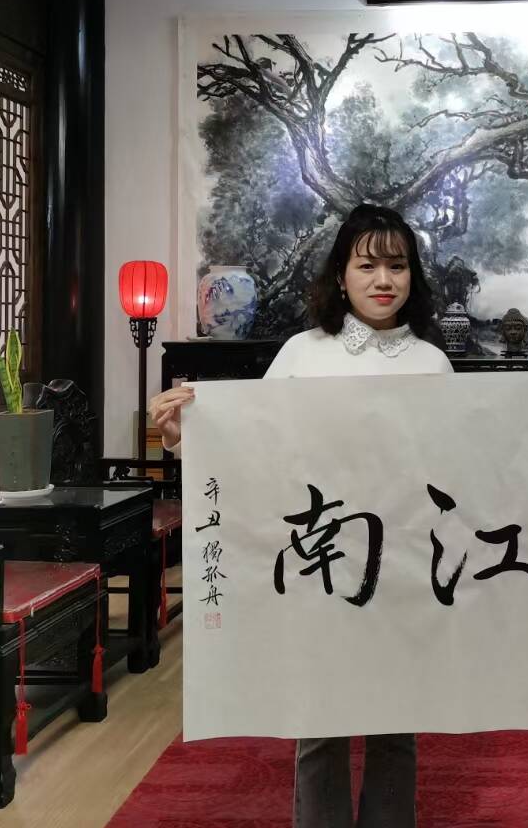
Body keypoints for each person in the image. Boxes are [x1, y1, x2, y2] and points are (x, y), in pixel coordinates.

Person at [148, 203, 452, 828]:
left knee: (397, 726)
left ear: (413, 276)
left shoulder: (431, 361)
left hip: (404, 565)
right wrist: (185, 435)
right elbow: (253, 448)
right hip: (322, 562)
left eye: (397, 266)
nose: (383, 280)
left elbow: (454, 472)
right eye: (366, 265)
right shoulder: (302, 354)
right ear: (340, 274)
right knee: (320, 725)